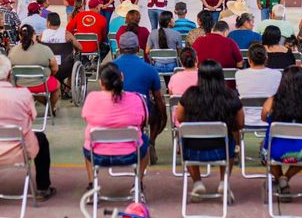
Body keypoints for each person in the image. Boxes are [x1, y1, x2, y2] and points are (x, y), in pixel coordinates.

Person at [0, 54, 55, 210]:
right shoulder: (23, 94)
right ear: (9, 74)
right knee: (41, 138)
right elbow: (32, 117)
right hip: (20, 151)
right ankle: (43, 187)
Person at [176, 60, 244, 203]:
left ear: (199, 76)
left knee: (186, 138)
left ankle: (197, 182)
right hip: (222, 149)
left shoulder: (190, 94)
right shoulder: (230, 95)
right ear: (221, 75)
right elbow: (240, 123)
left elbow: (180, 118)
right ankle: (224, 181)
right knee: (230, 141)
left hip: (192, 150)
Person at [81, 63, 150, 190]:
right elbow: (144, 121)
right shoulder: (137, 99)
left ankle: (92, 185)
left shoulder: (92, 98)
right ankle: (138, 183)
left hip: (97, 155)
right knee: (145, 141)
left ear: (101, 83)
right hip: (130, 154)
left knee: (88, 141)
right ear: (122, 77)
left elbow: (86, 117)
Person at [261, 67, 302, 199]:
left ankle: (279, 178)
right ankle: (286, 178)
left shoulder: (272, 101)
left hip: (275, 150)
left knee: (265, 147)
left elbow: (263, 117)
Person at [114, 32, 166, 162]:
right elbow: (158, 97)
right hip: (142, 113)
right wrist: (163, 116)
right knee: (158, 112)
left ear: (119, 49)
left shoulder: (110, 67)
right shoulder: (149, 69)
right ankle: (151, 141)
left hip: (116, 112)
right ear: (138, 49)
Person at [8, 25, 61, 114]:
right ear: (34, 35)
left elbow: (9, 69)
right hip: (41, 83)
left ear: (20, 36)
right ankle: (51, 108)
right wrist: (50, 74)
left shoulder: (13, 51)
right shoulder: (44, 49)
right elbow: (55, 68)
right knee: (57, 85)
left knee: (35, 90)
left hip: (19, 85)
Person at [235, 44, 281, 126]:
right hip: (269, 118)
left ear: (249, 60)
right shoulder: (277, 74)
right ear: (266, 59)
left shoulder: (239, 74)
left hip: (246, 119)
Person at [146, 11, 182, 75]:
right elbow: (180, 53)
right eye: (173, 18)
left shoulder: (153, 33)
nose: (174, 20)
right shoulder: (177, 34)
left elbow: (147, 51)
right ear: (169, 22)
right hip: (173, 66)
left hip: (157, 66)